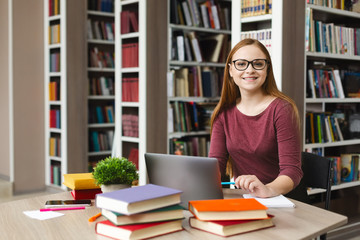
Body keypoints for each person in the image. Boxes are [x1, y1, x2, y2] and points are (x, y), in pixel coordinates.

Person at [208, 38, 303, 198]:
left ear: (267, 69)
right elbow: (216, 166)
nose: (249, 70)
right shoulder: (223, 114)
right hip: (246, 198)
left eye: (257, 64)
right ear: (230, 70)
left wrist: (268, 189)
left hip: (281, 198)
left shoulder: (282, 109)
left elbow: (292, 170)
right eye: (241, 64)